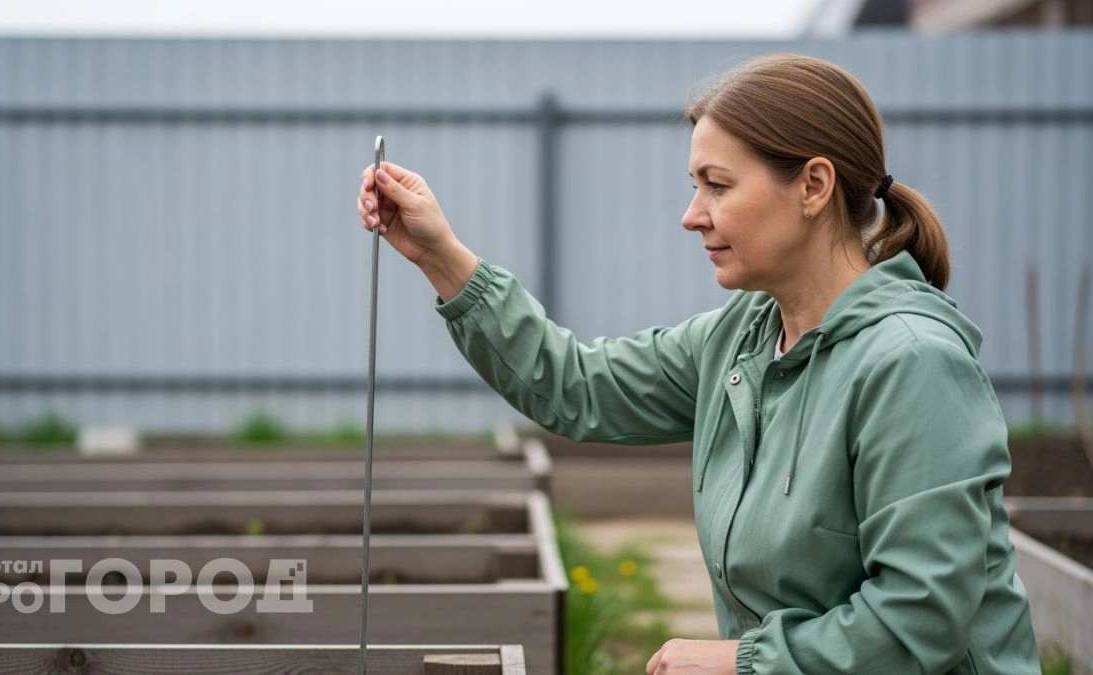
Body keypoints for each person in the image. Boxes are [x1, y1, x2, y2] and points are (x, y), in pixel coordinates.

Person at [356, 53, 1040, 675]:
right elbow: (576, 387)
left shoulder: (913, 365)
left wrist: (742, 661)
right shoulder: (742, 338)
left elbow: (921, 619)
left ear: (813, 186)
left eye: (717, 185)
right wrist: (439, 254)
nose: (692, 215)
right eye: (696, 185)